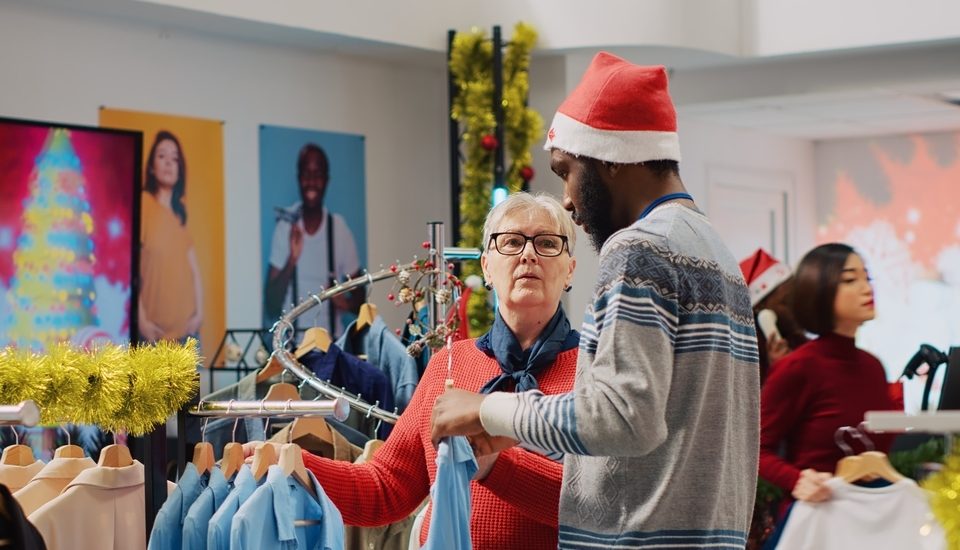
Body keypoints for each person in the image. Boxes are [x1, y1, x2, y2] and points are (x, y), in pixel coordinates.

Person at [432, 51, 760, 549]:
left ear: (608, 158)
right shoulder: (716, 253)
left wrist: (488, 409)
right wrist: (522, 431)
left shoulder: (638, 248)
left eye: (566, 170)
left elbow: (624, 417)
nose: (566, 198)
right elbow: (665, 429)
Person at [269, 192, 580, 549]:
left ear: (569, 270)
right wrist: (292, 464)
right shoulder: (449, 362)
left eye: (546, 243)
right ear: (486, 267)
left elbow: (604, 504)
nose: (528, 254)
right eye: (510, 242)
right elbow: (386, 488)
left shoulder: (595, 371)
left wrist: (496, 464)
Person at [759, 243, 897, 506]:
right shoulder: (798, 367)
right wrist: (796, 479)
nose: (867, 288)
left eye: (867, 278)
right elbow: (755, 448)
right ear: (819, 290)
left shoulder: (874, 367)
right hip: (816, 514)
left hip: (872, 512)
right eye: (850, 280)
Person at [264, 143, 360, 335]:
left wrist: (346, 303)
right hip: (292, 346)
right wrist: (292, 260)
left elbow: (361, 299)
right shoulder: (286, 227)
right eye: (306, 174)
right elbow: (271, 305)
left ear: (327, 180)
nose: (311, 182)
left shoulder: (338, 229)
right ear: (299, 178)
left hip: (331, 345)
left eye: (318, 175)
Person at [139, 130, 203, 343]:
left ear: (180, 170)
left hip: (187, 337)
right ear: (151, 166)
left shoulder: (179, 215)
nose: (168, 162)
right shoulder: (143, 203)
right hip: (153, 337)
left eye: (174, 159)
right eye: (161, 156)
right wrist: (141, 321)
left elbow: (194, 272)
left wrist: (199, 315)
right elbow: (130, 269)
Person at [739, 248, 810, 383]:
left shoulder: (801, 343)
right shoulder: (745, 355)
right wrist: (778, 371)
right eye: (786, 302)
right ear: (760, 308)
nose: (798, 308)